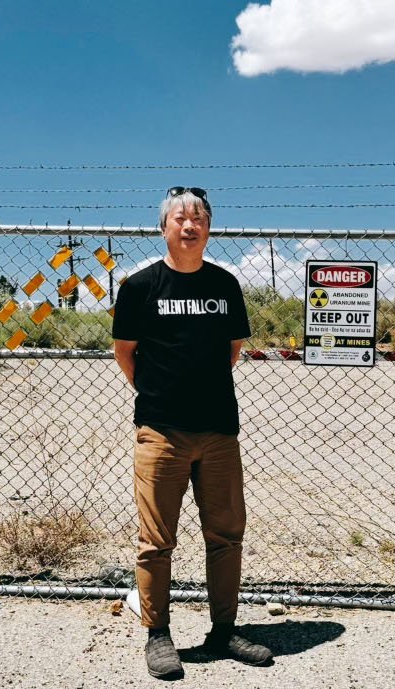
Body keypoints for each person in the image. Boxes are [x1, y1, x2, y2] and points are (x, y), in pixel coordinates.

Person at [111, 187, 273, 679]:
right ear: (163, 227)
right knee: (156, 540)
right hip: (161, 431)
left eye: (198, 217)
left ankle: (224, 631)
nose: (189, 225)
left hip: (219, 431)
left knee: (226, 534)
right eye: (180, 217)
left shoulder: (225, 285)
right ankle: (158, 636)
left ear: (208, 228)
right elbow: (125, 353)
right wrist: (163, 397)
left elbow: (232, 351)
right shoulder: (140, 287)